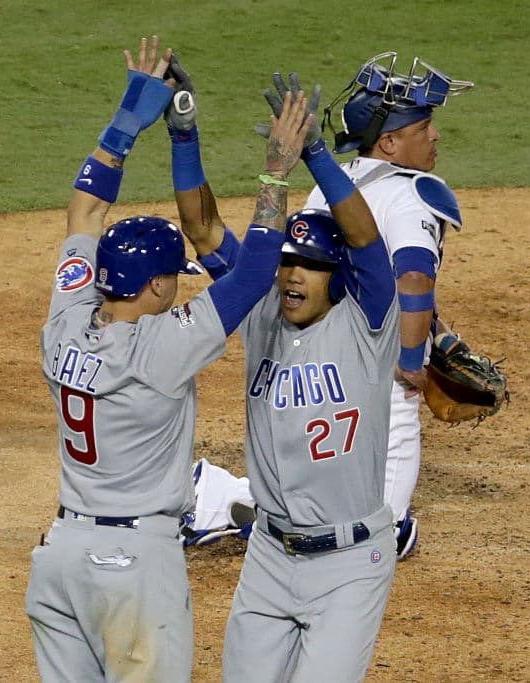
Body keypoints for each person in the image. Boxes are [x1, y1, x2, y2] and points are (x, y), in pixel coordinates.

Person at [24, 37, 314, 683]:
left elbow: (85, 207)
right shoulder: (161, 348)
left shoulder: (64, 318)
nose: (180, 287)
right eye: (174, 279)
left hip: (61, 557)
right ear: (156, 286)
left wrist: (132, 117)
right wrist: (276, 170)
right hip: (132, 570)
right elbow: (254, 274)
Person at [168, 65, 400, 682]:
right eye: (287, 262)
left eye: (312, 265)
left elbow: (367, 239)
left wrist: (316, 156)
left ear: (339, 276)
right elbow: (202, 229)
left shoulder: (368, 322)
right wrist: (184, 135)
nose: (293, 275)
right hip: (269, 555)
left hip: (349, 562)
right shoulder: (262, 309)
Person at [306, 52, 475, 560]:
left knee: (326, 464)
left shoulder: (327, 186)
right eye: (424, 127)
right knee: (383, 529)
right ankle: (223, 500)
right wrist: (410, 362)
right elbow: (414, 276)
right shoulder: (416, 192)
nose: (436, 137)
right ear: (389, 142)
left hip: (317, 350)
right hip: (378, 357)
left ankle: (222, 497)